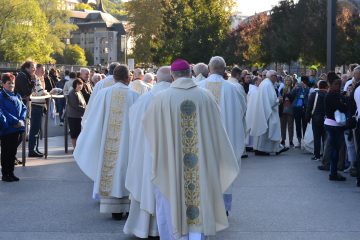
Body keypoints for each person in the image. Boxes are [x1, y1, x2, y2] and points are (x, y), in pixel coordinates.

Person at [142, 59, 239, 239]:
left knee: (171, 205)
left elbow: (149, 131)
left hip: (171, 166)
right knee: (200, 201)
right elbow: (218, 131)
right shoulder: (206, 97)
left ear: (173, 75)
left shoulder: (161, 99)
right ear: (190, 73)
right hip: (201, 164)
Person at [74, 65, 139, 220]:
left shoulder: (103, 94)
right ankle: (129, 208)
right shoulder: (135, 96)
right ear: (127, 78)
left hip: (108, 145)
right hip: (129, 144)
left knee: (112, 171)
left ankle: (115, 210)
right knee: (127, 170)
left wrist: (91, 137)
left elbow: (93, 120)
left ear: (114, 77)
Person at [124, 66, 172, 238]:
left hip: (148, 152)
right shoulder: (176, 97)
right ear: (173, 79)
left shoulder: (145, 98)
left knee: (147, 185)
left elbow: (134, 125)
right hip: (170, 155)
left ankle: (147, 228)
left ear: (157, 79)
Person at [198, 56, 245, 214]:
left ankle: (205, 206)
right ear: (225, 70)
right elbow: (242, 111)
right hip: (227, 140)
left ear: (209, 69)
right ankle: (223, 209)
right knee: (224, 172)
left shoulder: (198, 87)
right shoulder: (233, 89)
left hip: (202, 141)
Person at [247, 70, 289, 156]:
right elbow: (271, 101)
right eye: (276, 76)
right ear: (272, 76)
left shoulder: (265, 83)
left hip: (264, 111)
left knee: (263, 132)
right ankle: (265, 149)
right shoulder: (268, 85)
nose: (276, 78)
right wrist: (279, 100)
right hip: (268, 112)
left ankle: (261, 149)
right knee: (268, 131)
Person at [0, 73, 27, 182]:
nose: (11, 85)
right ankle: (5, 174)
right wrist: (16, 121)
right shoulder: (1, 96)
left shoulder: (17, 95)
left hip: (17, 128)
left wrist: (21, 119)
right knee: (6, 152)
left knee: (13, 152)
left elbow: (24, 108)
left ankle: (11, 172)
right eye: (9, 83)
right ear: (3, 84)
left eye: (13, 83)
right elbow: (3, 112)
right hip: (7, 128)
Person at [81, 62, 120, 128]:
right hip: (118, 117)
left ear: (109, 70)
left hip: (102, 115)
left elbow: (93, 101)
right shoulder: (123, 84)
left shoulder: (100, 84)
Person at [324, 72, 347, 181]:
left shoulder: (331, 94)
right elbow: (341, 108)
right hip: (335, 124)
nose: (339, 87)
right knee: (335, 150)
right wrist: (345, 104)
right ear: (332, 85)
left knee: (334, 149)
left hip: (330, 123)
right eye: (337, 85)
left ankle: (333, 172)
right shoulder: (333, 95)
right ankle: (333, 173)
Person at [28, 64, 47, 158]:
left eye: (44, 70)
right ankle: (32, 150)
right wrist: (49, 93)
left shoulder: (39, 78)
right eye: (42, 70)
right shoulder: (36, 79)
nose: (44, 72)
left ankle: (34, 149)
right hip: (36, 105)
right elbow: (40, 92)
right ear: (37, 70)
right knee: (35, 129)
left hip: (39, 105)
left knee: (37, 129)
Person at [305, 80, 328, 161]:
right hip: (326, 119)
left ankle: (317, 155)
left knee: (317, 138)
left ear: (318, 86)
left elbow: (309, 108)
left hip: (316, 118)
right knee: (325, 138)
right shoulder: (328, 94)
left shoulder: (313, 94)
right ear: (326, 87)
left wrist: (307, 119)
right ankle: (325, 156)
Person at [66, 79, 86, 149]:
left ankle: (78, 148)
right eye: (79, 84)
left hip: (78, 116)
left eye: (81, 84)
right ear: (75, 85)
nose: (80, 86)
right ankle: (75, 148)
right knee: (74, 133)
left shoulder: (79, 92)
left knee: (78, 132)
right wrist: (85, 109)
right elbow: (75, 105)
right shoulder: (72, 93)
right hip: (73, 116)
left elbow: (83, 103)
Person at [291, 76, 310, 148]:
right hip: (297, 107)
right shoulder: (297, 87)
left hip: (305, 108)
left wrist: (305, 88)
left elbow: (308, 95)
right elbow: (292, 94)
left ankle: (305, 142)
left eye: (304, 81)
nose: (303, 83)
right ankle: (299, 142)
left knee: (305, 125)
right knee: (298, 125)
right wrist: (295, 87)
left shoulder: (307, 88)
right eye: (302, 81)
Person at [280, 75, 295, 147]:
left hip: (290, 108)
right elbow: (280, 98)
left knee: (290, 125)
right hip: (283, 108)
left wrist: (288, 94)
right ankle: (283, 139)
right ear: (284, 81)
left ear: (291, 81)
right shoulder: (282, 89)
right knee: (283, 125)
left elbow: (293, 99)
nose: (287, 81)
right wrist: (283, 95)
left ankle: (291, 140)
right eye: (286, 80)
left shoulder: (293, 89)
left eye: (289, 80)